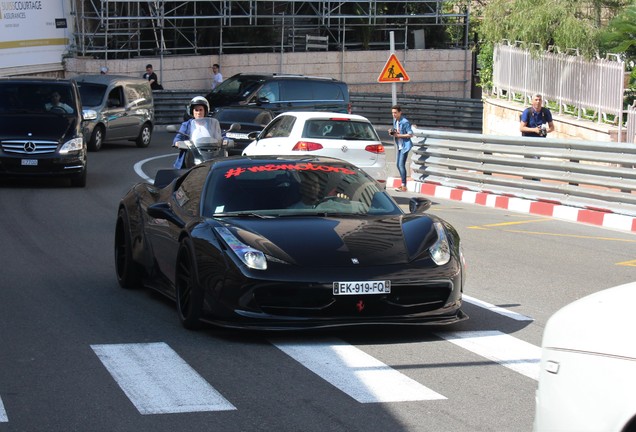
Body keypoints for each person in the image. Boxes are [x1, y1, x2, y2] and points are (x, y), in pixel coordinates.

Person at [172, 96, 222, 169]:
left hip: (210, 155)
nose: (198, 112)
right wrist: (178, 143)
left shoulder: (211, 124)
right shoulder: (186, 125)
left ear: (205, 111)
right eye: (196, 110)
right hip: (191, 157)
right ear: (192, 111)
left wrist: (225, 140)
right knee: (181, 177)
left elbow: (219, 136)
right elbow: (178, 138)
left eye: (201, 110)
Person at [388, 105, 413, 192]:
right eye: (392, 113)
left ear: (400, 112)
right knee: (398, 165)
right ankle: (403, 184)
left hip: (405, 146)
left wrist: (399, 135)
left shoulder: (405, 122)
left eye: (395, 113)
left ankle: (404, 185)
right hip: (399, 145)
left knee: (401, 164)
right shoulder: (396, 121)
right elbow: (396, 130)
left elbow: (410, 134)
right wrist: (392, 132)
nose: (394, 114)